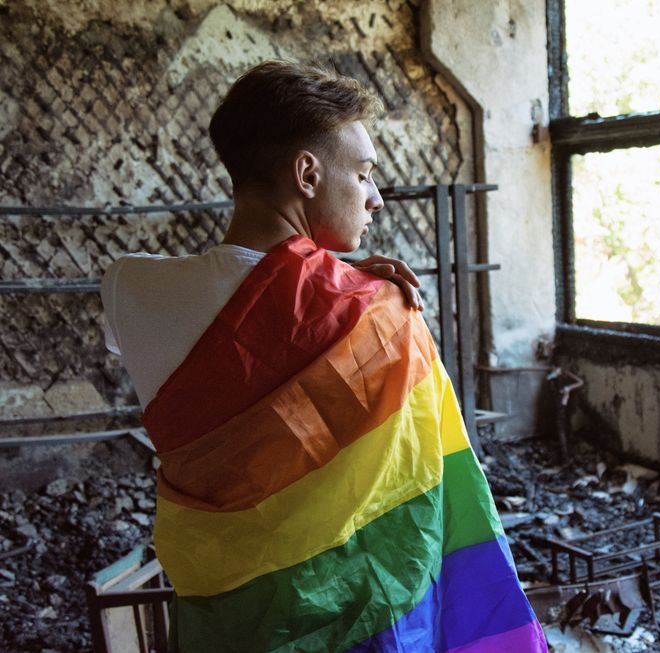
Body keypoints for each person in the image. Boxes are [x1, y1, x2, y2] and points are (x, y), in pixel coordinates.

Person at [101, 60, 547, 653]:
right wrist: (339, 281)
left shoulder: (129, 288)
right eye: (363, 175)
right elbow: (432, 492)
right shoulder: (383, 313)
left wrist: (327, 274)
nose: (376, 199)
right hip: (363, 626)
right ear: (307, 174)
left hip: (227, 621)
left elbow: (238, 293)